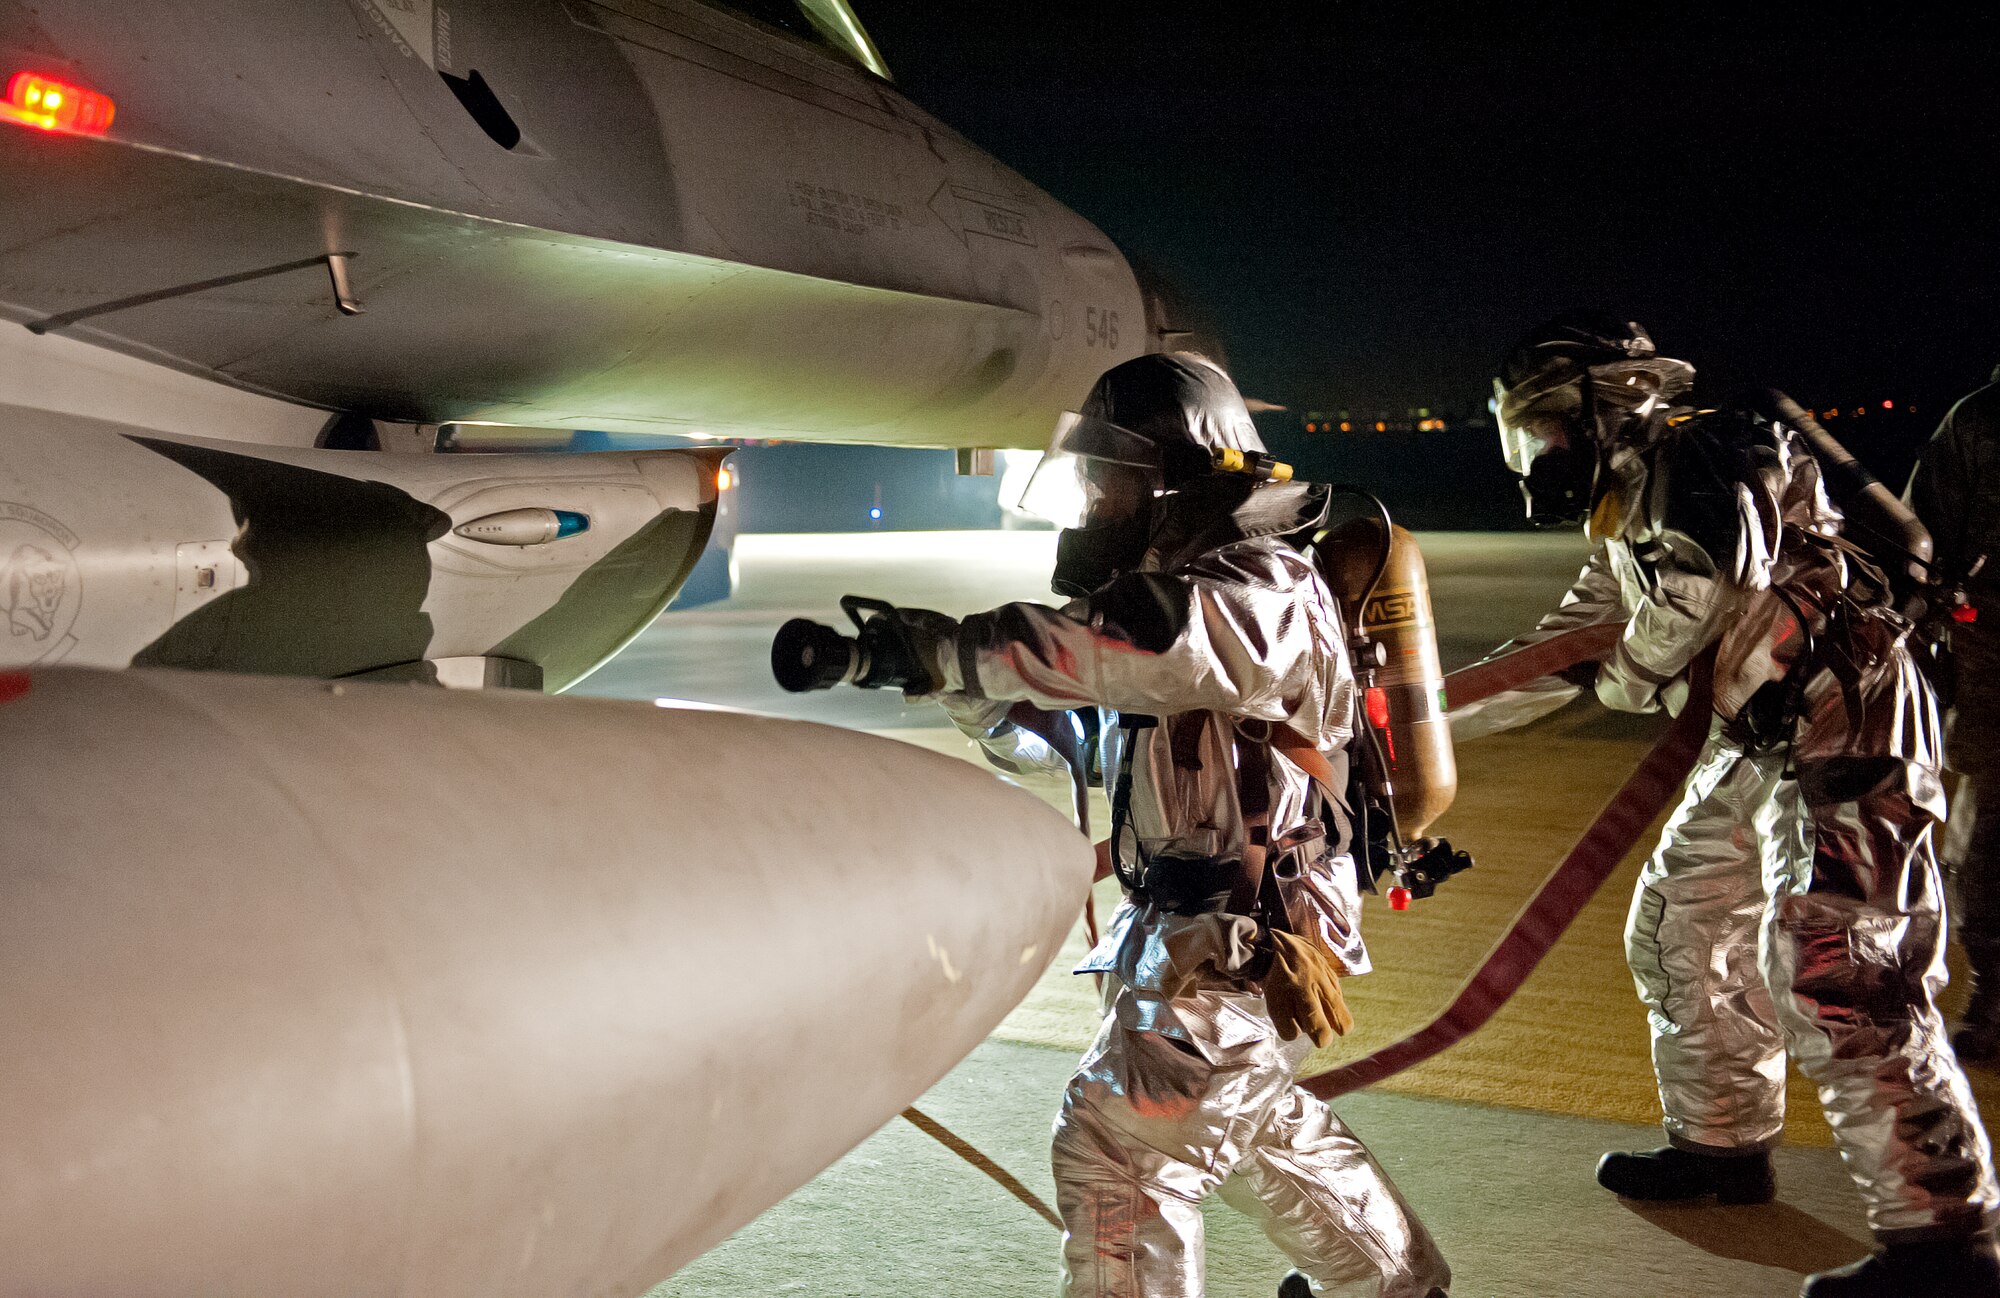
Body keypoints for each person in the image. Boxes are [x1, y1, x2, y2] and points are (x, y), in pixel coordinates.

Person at [864, 353, 1449, 1297]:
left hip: (1256, 934)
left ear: (1180, 482)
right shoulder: (1164, 603)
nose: (1096, 503)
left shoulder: (1262, 591)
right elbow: (1077, 748)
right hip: (1183, 934)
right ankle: (1395, 1285)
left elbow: (1160, 647)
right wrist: (957, 686)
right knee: (1247, 1128)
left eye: (1113, 481)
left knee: (1118, 1149)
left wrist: (960, 649)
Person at [1457, 313, 1998, 1296]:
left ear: (1601, 405)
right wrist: (1412, 716)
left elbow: (1700, 592)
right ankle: (1721, 1145)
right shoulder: (1630, 507)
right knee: (1680, 924)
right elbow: (1571, 642)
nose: (1533, 451)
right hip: (1759, 736)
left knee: (1843, 970)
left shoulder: (1705, 457)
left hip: (1846, 724)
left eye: (1541, 424)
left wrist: (1626, 678)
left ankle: (1943, 1238)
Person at [1906, 364, 2000, 1063]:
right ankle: (1992, 995)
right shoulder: (1981, 419)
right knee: (1987, 827)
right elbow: (1921, 539)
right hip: (1991, 650)